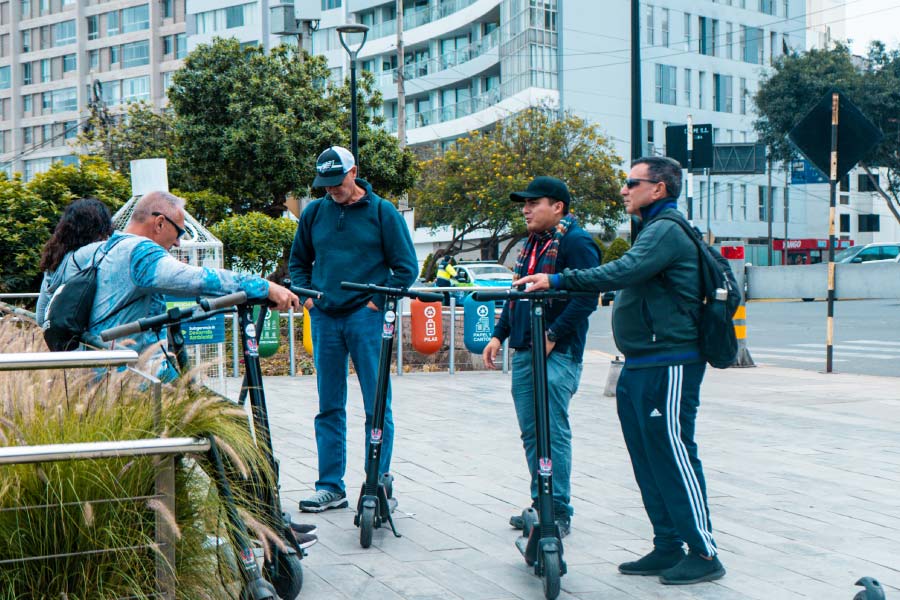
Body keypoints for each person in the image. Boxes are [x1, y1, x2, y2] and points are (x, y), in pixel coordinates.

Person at [514, 157, 726, 585]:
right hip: (642, 360)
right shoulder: (651, 230)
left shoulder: (667, 229)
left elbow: (622, 271)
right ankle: (667, 545)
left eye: (632, 182)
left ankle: (704, 554)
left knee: (673, 452)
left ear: (659, 189)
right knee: (647, 457)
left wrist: (556, 281)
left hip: (670, 361)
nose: (624, 190)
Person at [289, 146, 418, 513]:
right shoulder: (314, 213)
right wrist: (311, 301)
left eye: (337, 182)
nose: (331, 190)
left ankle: (376, 483)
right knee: (329, 405)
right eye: (325, 184)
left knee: (377, 403)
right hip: (325, 317)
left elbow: (406, 268)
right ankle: (330, 486)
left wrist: (376, 303)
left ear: (354, 172)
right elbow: (298, 264)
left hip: (366, 316)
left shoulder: (382, 211)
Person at [481, 176, 601, 537]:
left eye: (534, 203)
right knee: (532, 433)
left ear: (558, 207)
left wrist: (552, 334)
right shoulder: (532, 245)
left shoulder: (576, 243)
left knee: (553, 430)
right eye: (525, 203)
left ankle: (558, 509)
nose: (526, 209)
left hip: (557, 353)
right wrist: (499, 335)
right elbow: (516, 294)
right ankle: (541, 503)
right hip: (524, 351)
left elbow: (587, 297)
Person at [35, 198, 114, 326]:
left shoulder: (55, 259)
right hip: (91, 339)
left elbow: (40, 317)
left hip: (62, 338)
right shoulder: (93, 254)